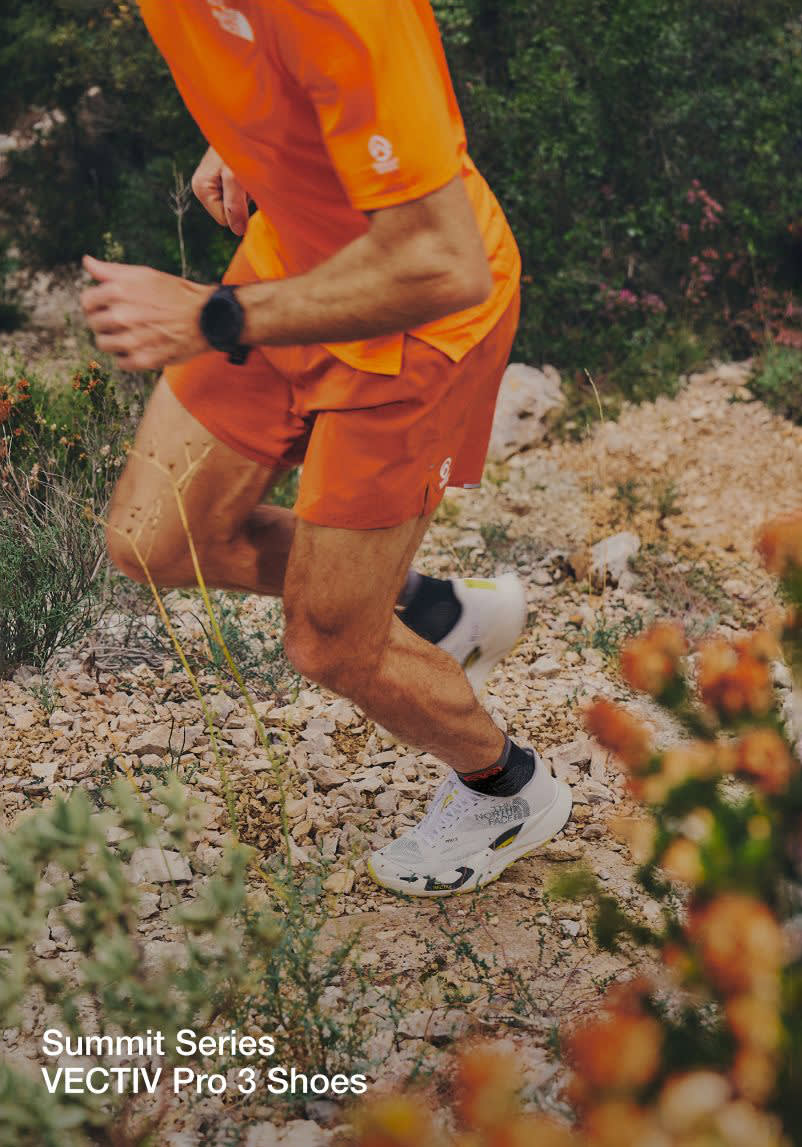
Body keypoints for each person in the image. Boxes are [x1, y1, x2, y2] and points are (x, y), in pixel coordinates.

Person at [81, 0, 572, 897]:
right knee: (154, 537)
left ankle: (506, 789)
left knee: (329, 641)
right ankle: (434, 613)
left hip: (419, 312)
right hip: (296, 255)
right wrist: (263, 132)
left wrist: (209, 316)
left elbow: (442, 260)